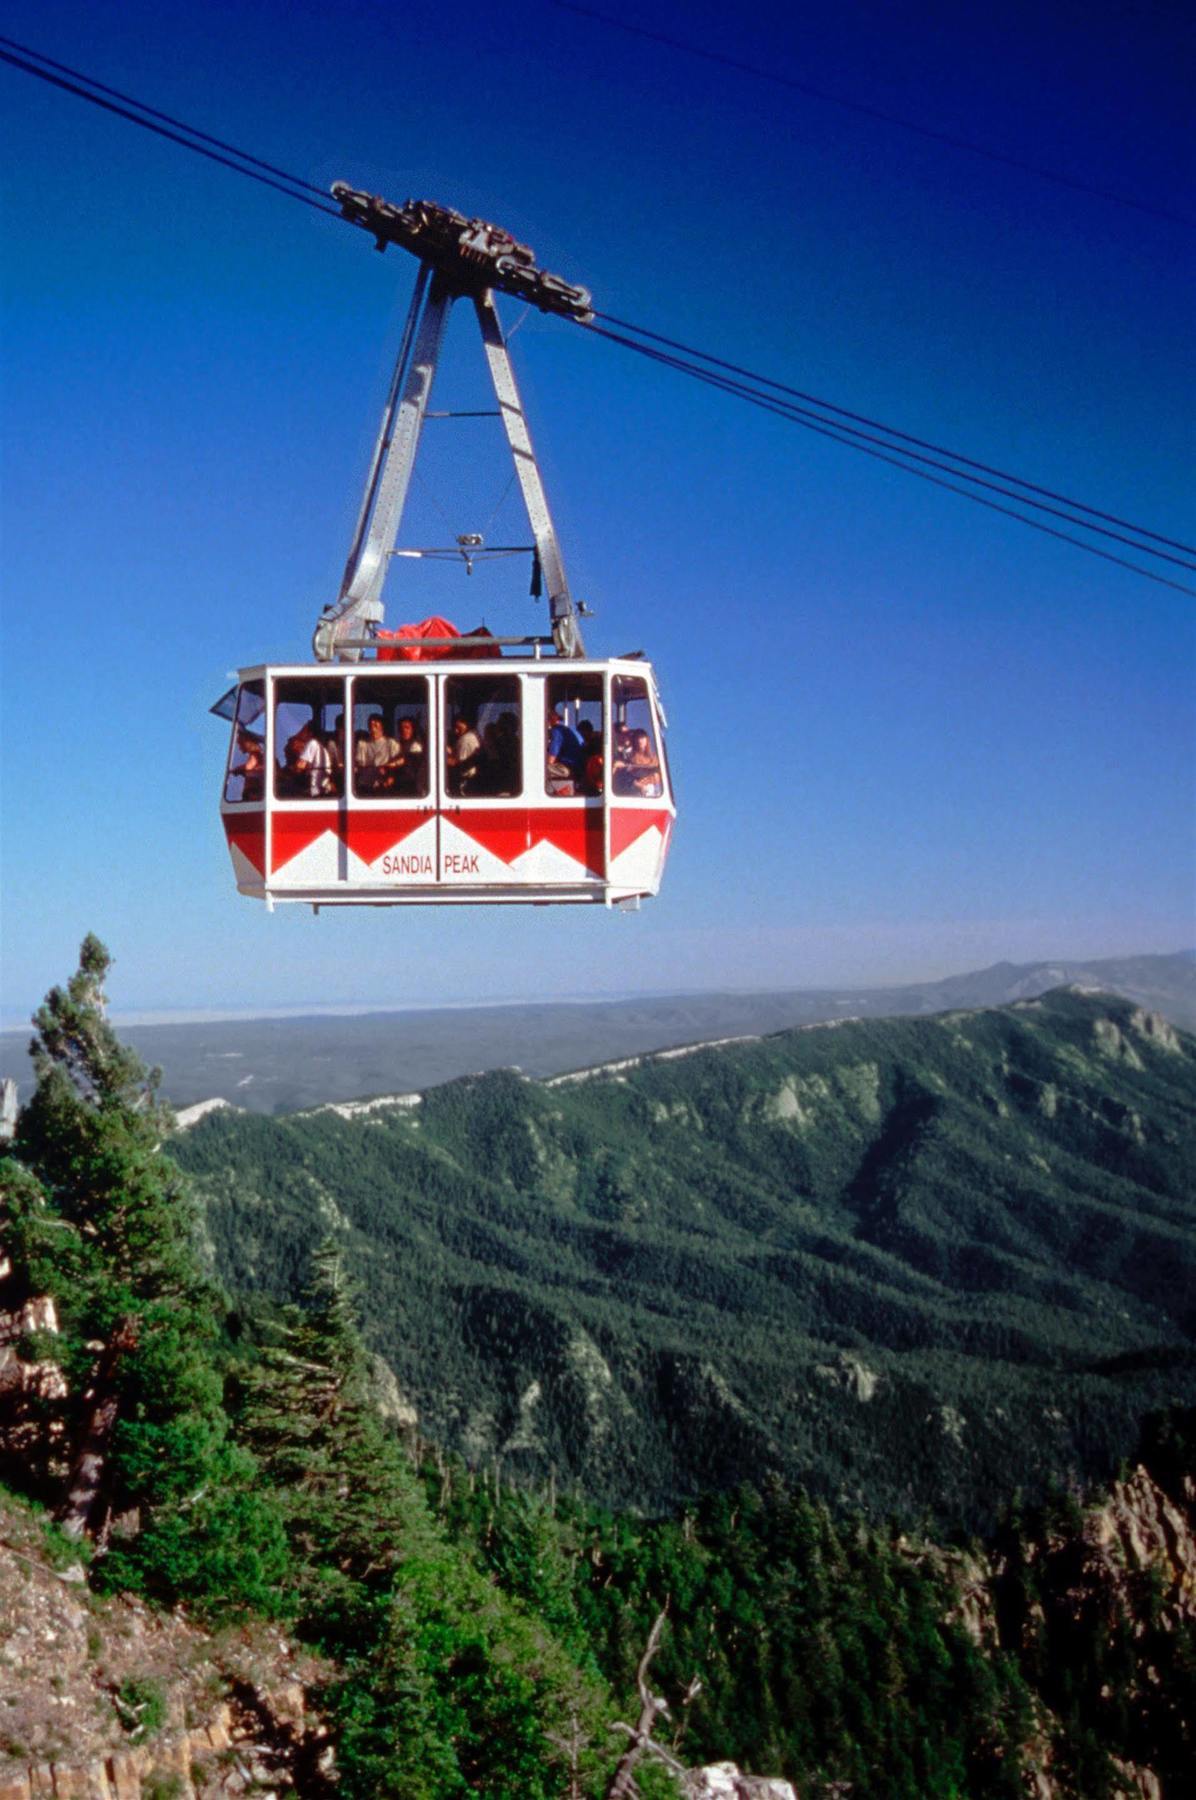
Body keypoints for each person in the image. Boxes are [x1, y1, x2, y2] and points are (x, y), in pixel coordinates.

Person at [355, 713, 401, 793]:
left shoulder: (392, 743)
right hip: (366, 784)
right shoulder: (362, 744)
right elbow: (360, 764)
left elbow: (397, 764)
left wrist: (390, 775)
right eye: (370, 723)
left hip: (385, 784)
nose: (372, 725)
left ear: (382, 726)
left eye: (376, 722)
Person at [390, 714, 427, 796]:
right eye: (401, 728)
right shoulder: (397, 745)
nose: (403, 730)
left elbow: (407, 760)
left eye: (407, 728)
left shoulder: (417, 746)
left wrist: (393, 765)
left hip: (414, 787)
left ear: (413, 730)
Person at [446, 714, 483, 794]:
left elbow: (459, 764)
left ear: (467, 724)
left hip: (466, 782)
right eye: (454, 728)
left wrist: (440, 757)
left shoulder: (466, 739)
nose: (456, 731)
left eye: (458, 727)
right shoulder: (475, 735)